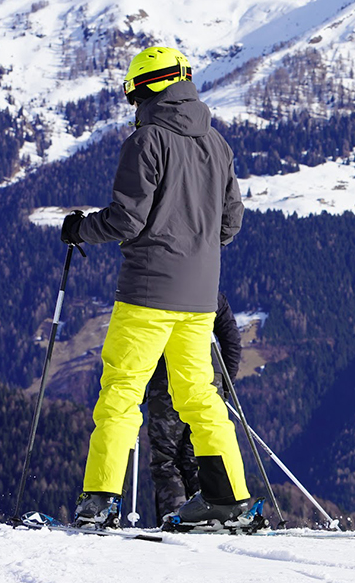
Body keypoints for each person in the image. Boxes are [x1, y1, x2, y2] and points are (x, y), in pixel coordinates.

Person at [60, 45, 253, 529]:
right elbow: (230, 223)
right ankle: (229, 499)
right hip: (200, 296)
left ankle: (100, 501)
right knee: (200, 395)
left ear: (145, 88)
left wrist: (80, 228)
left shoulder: (147, 141)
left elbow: (127, 219)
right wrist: (199, 246)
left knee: (122, 392)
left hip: (147, 293)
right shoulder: (218, 144)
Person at [143, 291, 244, 526]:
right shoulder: (209, 289)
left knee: (166, 459)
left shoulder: (157, 284)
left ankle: (177, 518)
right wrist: (224, 385)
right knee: (200, 451)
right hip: (209, 374)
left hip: (165, 377)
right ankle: (210, 512)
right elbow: (231, 340)